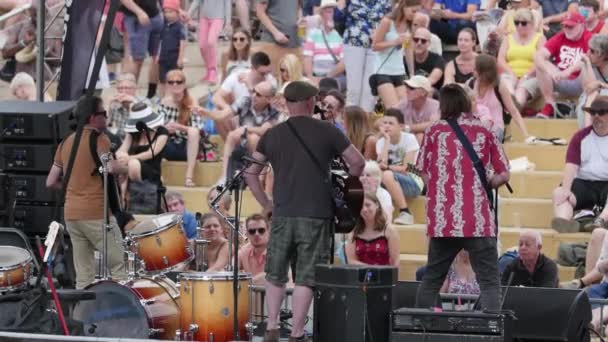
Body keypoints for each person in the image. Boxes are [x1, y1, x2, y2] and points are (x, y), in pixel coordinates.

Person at [244, 81, 365, 342]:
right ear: (311, 102)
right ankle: (297, 334)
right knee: (306, 276)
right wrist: (343, 187)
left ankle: (273, 326)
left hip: (282, 213)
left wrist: (266, 203)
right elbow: (358, 162)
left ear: (286, 103)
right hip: (316, 214)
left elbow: (251, 173)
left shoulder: (272, 134)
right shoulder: (328, 130)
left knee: (275, 273)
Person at [415, 84, 510, 311]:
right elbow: (504, 173)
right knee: (488, 281)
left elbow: (421, 169)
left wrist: (438, 192)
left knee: (432, 279)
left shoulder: (433, 132)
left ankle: (418, 330)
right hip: (477, 219)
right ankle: (490, 334)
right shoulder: (484, 131)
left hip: (443, 220)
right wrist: (487, 183)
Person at [46, 96, 127, 289]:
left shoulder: (66, 142)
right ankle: (122, 315)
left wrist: (73, 186)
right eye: (103, 114)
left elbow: (50, 182)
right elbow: (109, 167)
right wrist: (126, 167)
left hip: (72, 215)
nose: (106, 118)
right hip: (96, 214)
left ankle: (81, 316)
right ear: (92, 117)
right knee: (119, 268)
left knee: (84, 276)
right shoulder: (100, 139)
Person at [551, 96, 608, 233]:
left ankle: (601, 220)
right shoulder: (580, 137)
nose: (596, 116)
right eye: (593, 112)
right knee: (559, 192)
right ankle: (564, 222)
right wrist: (565, 190)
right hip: (584, 184)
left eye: (601, 112)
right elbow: (571, 165)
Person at [210, 80, 279, 185]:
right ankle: (224, 177)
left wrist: (246, 128)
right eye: (253, 91)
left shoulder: (274, 110)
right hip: (243, 144)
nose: (254, 95)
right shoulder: (246, 101)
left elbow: (263, 131)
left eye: (258, 94)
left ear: (268, 99)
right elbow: (226, 114)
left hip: (264, 152)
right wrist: (206, 113)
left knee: (254, 138)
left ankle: (257, 178)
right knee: (232, 135)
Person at [526, 12, 592, 118]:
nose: (566, 29)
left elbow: (588, 59)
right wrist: (551, 71)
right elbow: (538, 55)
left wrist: (568, 71)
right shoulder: (560, 36)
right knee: (541, 64)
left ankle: (585, 103)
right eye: (564, 25)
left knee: (587, 66)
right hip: (558, 78)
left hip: (580, 81)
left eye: (570, 26)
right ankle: (550, 104)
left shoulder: (589, 37)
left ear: (581, 25)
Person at [212, 51, 276, 140]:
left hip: (260, 121)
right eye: (262, 73)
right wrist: (227, 109)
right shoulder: (236, 76)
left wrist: (250, 87)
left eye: (268, 72)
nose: (265, 76)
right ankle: (233, 148)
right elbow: (216, 97)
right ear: (252, 68)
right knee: (218, 112)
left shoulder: (271, 81)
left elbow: (271, 108)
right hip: (239, 118)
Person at [342, 0, 392, 112]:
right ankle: (351, 124)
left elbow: (390, 21)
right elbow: (338, 18)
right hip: (353, 42)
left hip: (376, 43)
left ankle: (364, 124)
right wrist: (341, 6)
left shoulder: (386, 2)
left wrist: (381, 32)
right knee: (354, 88)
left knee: (369, 90)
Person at [376, 108, 423, 225]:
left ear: (401, 126)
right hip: (391, 181)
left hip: (413, 182)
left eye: (391, 123)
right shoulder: (381, 142)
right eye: (384, 123)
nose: (387, 126)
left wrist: (387, 168)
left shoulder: (409, 139)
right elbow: (381, 164)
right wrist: (387, 141)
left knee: (386, 174)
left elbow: (406, 168)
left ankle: (405, 212)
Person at [158, 69, 204, 187]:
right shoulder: (163, 102)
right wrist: (166, 129)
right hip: (169, 144)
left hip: (187, 146)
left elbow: (198, 129)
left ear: (184, 84)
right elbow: (157, 125)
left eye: (178, 82)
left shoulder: (192, 102)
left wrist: (179, 127)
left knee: (193, 132)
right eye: (171, 82)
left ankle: (189, 176)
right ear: (167, 84)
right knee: (155, 132)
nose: (175, 84)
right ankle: (157, 176)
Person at [116, 102, 168, 203]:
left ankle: (133, 192)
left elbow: (151, 153)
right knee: (120, 161)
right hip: (130, 169)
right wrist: (121, 155)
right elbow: (122, 149)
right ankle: (121, 196)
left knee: (133, 163)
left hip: (151, 170)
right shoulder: (133, 132)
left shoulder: (162, 132)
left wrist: (129, 158)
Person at [472, 54, 531, 142]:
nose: (472, 71)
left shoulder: (499, 85)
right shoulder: (471, 83)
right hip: (476, 127)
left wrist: (526, 135)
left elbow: (513, 111)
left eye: (475, 69)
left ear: (482, 71)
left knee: (483, 139)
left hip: (495, 128)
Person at [496, 8, 545, 107]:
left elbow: (542, 61)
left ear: (531, 23)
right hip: (510, 73)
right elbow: (500, 59)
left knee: (521, 90)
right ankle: (511, 111)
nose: (519, 26)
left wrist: (526, 76)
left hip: (532, 76)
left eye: (523, 23)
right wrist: (511, 73)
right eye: (516, 23)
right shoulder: (508, 38)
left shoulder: (539, 38)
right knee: (507, 86)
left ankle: (513, 110)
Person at [371, 0, 414, 109]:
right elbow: (375, 46)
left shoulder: (410, 25)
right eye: (413, 11)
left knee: (405, 109)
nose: (414, 14)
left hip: (399, 71)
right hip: (382, 71)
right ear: (403, 7)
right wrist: (394, 42)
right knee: (394, 108)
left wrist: (412, 74)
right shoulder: (387, 22)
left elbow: (409, 50)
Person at [119, 0, 164, 98]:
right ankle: (128, 96)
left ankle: (151, 95)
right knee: (137, 59)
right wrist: (139, 12)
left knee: (157, 58)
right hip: (136, 17)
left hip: (155, 15)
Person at [345, 192, 400, 266]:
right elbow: (351, 261)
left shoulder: (390, 231)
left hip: (383, 275)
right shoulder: (353, 232)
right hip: (360, 275)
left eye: (368, 205)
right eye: (361, 206)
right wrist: (371, 269)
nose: (364, 209)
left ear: (377, 205)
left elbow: (395, 261)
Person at [302, 0, 346, 89]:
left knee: (330, 85)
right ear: (321, 15)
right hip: (315, 76)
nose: (331, 15)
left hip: (334, 77)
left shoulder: (339, 37)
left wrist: (327, 77)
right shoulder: (313, 34)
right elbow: (307, 59)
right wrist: (311, 77)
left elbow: (344, 63)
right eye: (328, 12)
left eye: (332, 11)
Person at [187, 0, 231, 84]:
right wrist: (189, 14)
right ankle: (208, 70)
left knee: (211, 42)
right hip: (204, 18)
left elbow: (227, 4)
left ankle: (213, 70)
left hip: (218, 18)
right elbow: (197, 1)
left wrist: (228, 22)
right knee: (202, 46)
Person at [255, 0, 302, 76]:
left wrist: (299, 18)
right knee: (271, 79)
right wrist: (275, 33)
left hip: (294, 43)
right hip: (272, 42)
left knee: (292, 78)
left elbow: (299, 6)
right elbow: (259, 11)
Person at [397, 75, 440, 144]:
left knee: (420, 136)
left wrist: (407, 128)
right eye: (407, 87)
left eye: (411, 88)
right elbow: (387, 117)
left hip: (433, 145)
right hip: (409, 142)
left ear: (423, 92)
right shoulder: (404, 103)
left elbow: (433, 124)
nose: (407, 90)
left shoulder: (435, 105)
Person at [578, 34, 608, 128]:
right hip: (591, 98)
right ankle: (587, 131)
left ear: (602, 55)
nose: (588, 53)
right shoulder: (587, 65)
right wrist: (587, 64)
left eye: (592, 51)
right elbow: (589, 88)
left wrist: (600, 84)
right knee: (589, 97)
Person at [157, 0, 186, 94]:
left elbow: (182, 42)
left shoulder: (180, 27)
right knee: (162, 79)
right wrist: (158, 54)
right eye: (165, 12)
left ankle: (175, 97)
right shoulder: (163, 26)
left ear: (177, 12)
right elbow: (160, 41)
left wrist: (180, 58)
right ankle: (162, 99)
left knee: (175, 79)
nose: (168, 14)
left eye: (171, 12)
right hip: (163, 58)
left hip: (174, 58)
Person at [108, 73, 147, 140]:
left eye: (127, 88)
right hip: (120, 140)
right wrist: (108, 104)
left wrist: (133, 101)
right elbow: (105, 125)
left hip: (139, 139)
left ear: (135, 88)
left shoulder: (144, 102)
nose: (123, 91)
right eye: (120, 88)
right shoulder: (114, 104)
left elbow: (148, 126)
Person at [238, 213, 271, 285]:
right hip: (252, 294)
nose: (256, 234)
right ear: (247, 234)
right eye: (252, 231)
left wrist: (246, 283)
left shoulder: (278, 250)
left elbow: (272, 276)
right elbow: (231, 270)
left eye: (261, 230)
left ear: (269, 231)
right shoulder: (244, 251)